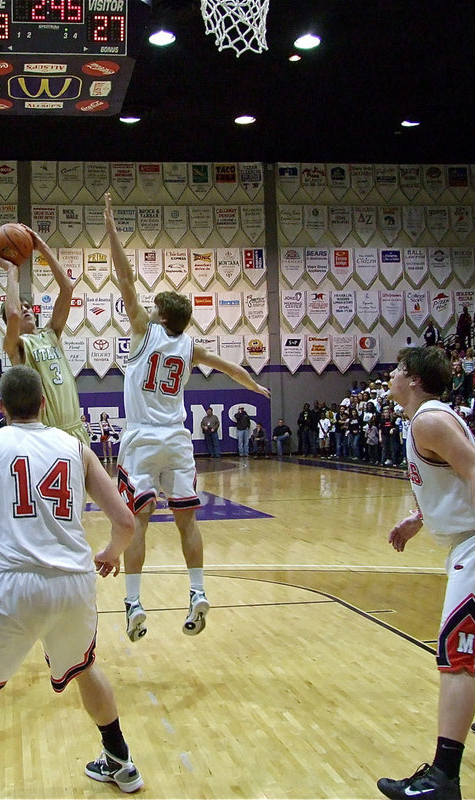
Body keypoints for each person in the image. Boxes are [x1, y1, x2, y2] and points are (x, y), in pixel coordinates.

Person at [0, 365, 140, 800]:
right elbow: (126, 521)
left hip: (14, 586)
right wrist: (110, 553)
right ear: (44, 403)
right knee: (83, 665)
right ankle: (121, 760)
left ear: (0, 407)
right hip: (75, 585)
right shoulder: (76, 447)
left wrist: (0, 587)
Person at [374, 346, 475, 800]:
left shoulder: (429, 419)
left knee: (456, 656)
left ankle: (443, 777)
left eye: (397, 369)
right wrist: (418, 517)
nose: (390, 376)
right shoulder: (428, 419)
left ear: (412, 377)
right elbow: (454, 481)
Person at [106, 192, 270, 641]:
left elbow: (123, 276)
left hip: (141, 438)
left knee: (137, 520)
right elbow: (228, 365)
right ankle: (197, 591)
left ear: (159, 314)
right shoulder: (188, 346)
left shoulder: (144, 330)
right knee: (187, 521)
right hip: (177, 440)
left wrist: (110, 224)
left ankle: (134, 601)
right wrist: (253, 385)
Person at [0, 226, 89, 444]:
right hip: (47, 435)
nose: (26, 309)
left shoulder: (51, 334)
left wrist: (41, 246)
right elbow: (11, 314)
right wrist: (11, 272)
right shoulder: (17, 346)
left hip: (75, 428)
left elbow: (67, 288)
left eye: (28, 306)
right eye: (21, 307)